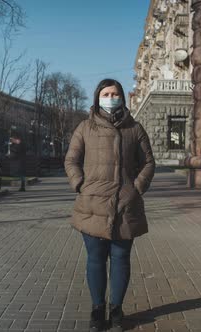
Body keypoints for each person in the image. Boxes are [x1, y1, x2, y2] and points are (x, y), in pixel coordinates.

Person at [65, 79, 155, 331]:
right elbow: (71, 160)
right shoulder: (85, 128)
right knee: (95, 259)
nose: (111, 97)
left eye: (115, 93)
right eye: (106, 93)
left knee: (121, 258)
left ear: (122, 97)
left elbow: (149, 162)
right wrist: (79, 184)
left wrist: (136, 188)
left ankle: (116, 309)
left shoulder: (135, 129)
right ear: (97, 97)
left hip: (126, 205)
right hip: (92, 204)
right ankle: (97, 309)